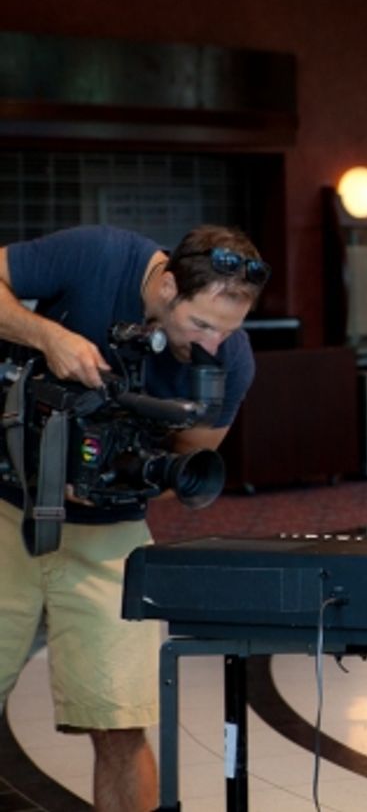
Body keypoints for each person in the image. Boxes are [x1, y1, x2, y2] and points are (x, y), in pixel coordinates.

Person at [0, 224, 266, 812]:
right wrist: (49, 337)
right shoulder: (99, 255)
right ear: (167, 284)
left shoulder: (230, 360)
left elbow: (186, 465)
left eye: (228, 330)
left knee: (119, 725)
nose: (213, 344)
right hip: (6, 509)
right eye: (201, 324)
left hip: (110, 535)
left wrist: (121, 476)